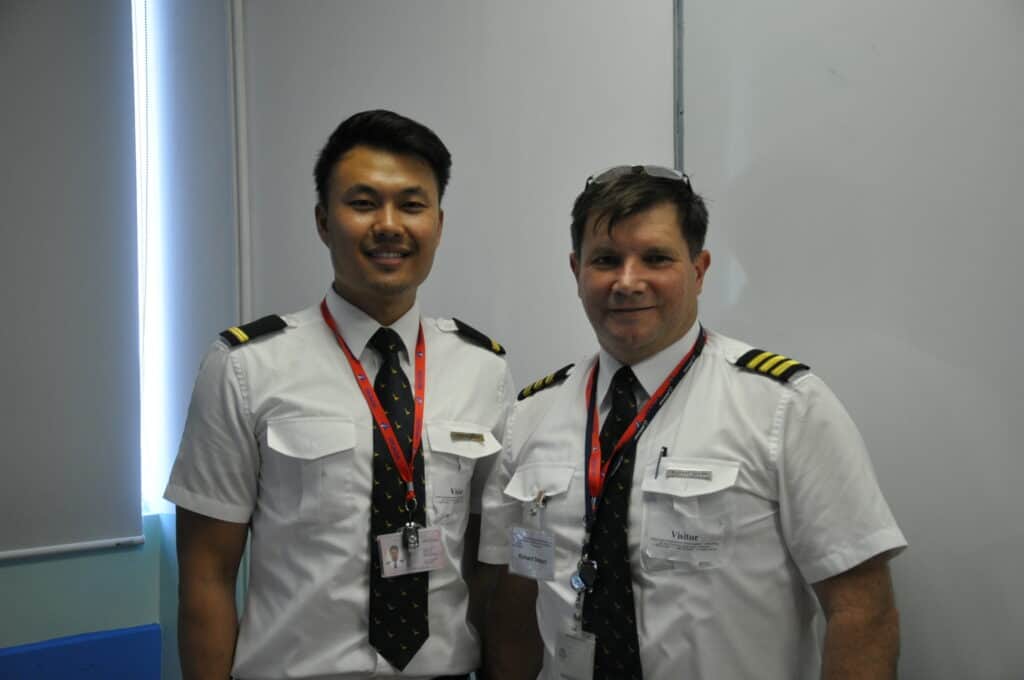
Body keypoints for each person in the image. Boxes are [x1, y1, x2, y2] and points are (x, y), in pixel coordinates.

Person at [480, 165, 907, 679]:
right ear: (576, 271)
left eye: (656, 258)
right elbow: (514, 604)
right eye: (606, 260)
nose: (628, 281)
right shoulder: (531, 415)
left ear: (699, 270)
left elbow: (862, 611)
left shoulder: (785, 408)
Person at [165, 110, 512, 680]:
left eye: (412, 205)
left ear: (439, 224)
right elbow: (206, 576)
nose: (389, 225)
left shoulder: (483, 370)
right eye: (363, 203)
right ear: (324, 222)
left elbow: (489, 565)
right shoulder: (247, 367)